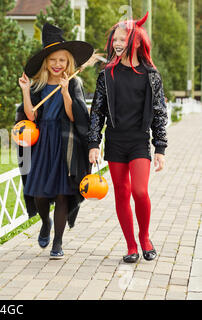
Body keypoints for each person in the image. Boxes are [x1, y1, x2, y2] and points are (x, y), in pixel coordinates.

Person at [88, 12, 168, 263]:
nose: (117, 43)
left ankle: (145, 238)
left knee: (139, 191)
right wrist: (94, 143)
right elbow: (97, 112)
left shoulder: (151, 75)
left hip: (139, 141)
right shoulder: (106, 75)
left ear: (135, 40)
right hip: (114, 141)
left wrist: (160, 147)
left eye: (122, 38)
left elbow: (159, 112)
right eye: (115, 39)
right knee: (121, 193)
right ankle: (131, 245)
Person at [16, 23, 93, 258]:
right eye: (53, 60)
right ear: (46, 62)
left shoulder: (73, 83)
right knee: (38, 193)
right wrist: (26, 91)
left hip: (65, 145)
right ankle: (45, 223)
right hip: (42, 145)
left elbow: (74, 116)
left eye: (62, 60)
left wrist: (66, 92)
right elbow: (30, 115)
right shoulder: (38, 84)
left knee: (62, 194)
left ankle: (57, 243)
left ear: (68, 62)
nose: (57, 65)